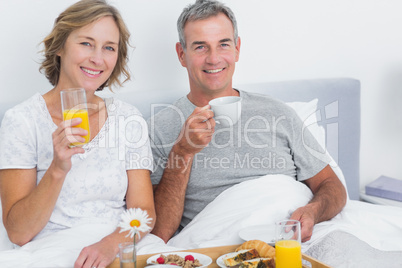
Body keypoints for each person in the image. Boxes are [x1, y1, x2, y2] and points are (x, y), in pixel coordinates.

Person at [148, 0, 347, 244]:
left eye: (223, 44)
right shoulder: (160, 127)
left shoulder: (277, 112)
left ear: (237, 49)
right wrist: (183, 151)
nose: (213, 58)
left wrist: (314, 211)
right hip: (221, 247)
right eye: (200, 47)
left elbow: (331, 185)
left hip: (294, 242)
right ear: (182, 54)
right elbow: (161, 232)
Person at [0, 0, 155, 267]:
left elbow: (144, 212)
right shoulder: (22, 120)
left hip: (120, 243)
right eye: (86, 43)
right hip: (52, 250)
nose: (97, 58)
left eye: (109, 47)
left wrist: (111, 245)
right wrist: (58, 169)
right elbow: (19, 232)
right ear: (59, 46)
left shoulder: (128, 118)